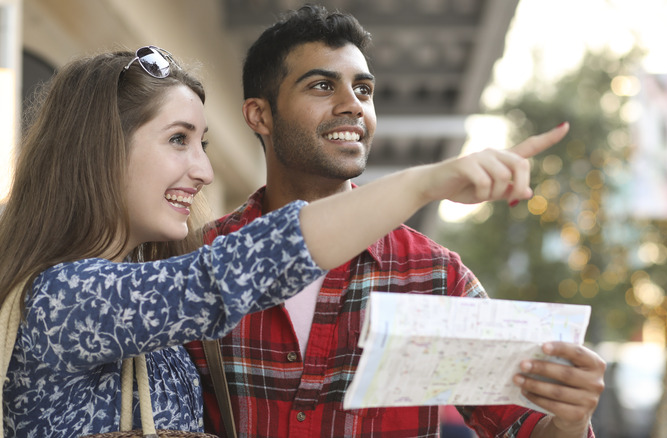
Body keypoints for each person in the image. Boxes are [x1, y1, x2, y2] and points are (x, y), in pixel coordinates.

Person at [0, 45, 562, 438]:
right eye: (178, 140)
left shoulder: (432, 271)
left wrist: (564, 406)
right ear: (102, 150)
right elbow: (237, 271)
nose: (203, 172)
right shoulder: (62, 297)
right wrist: (425, 180)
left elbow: (521, 416)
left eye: (204, 144)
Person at [185, 4, 605, 438]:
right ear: (260, 115)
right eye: (322, 86)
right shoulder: (196, 261)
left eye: (364, 90)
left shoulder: (433, 275)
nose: (352, 105)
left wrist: (570, 419)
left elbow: (522, 428)